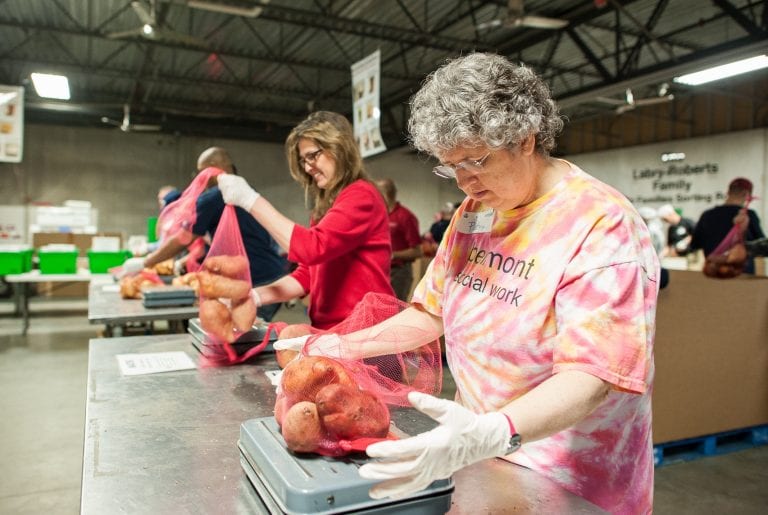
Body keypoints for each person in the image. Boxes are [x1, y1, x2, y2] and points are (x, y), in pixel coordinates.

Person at [275, 53, 659, 513]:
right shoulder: (476, 212)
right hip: (480, 458)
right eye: (450, 166)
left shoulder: (600, 224)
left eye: (476, 161)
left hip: (566, 480)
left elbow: (591, 377)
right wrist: (336, 347)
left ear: (526, 139)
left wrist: (496, 429)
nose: (464, 183)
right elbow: (428, 313)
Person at [218, 111, 395, 330]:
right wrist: (255, 296)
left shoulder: (362, 195)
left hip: (364, 331)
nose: (308, 167)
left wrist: (250, 200)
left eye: (313, 155)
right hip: (333, 329)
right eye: (303, 160)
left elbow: (311, 248)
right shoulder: (326, 209)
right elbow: (307, 274)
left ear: (338, 148)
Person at [122, 147, 287, 321]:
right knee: (247, 334)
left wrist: (145, 262)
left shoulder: (214, 197)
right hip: (272, 274)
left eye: (202, 171)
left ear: (215, 167)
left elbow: (183, 239)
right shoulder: (246, 189)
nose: (200, 178)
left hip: (253, 279)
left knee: (240, 336)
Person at [691, 177, 765, 274]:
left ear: (728, 192)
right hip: (741, 275)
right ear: (747, 194)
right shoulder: (748, 215)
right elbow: (762, 245)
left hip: (714, 273)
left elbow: (694, 245)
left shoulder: (707, 215)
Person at [375, 178, 422, 301]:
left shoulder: (405, 216)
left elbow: (417, 251)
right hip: (380, 271)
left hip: (399, 272)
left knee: (394, 311)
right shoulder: (378, 214)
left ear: (385, 194)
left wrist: (391, 255)